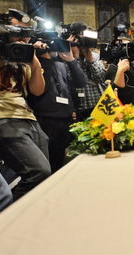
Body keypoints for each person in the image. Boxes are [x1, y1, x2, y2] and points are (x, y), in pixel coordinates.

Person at [0, 10, 51, 200]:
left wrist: (33, 59)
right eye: (15, 31)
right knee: (38, 172)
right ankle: (8, 216)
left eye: (24, 32)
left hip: (28, 118)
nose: (21, 36)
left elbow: (37, 90)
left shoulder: (22, 55)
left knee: (45, 178)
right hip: (2, 117)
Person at [27, 37, 88, 173]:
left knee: (65, 164)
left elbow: (81, 82)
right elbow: (40, 91)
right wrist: (44, 58)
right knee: (51, 165)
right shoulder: (34, 63)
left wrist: (71, 60)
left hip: (66, 120)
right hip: (46, 120)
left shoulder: (60, 63)